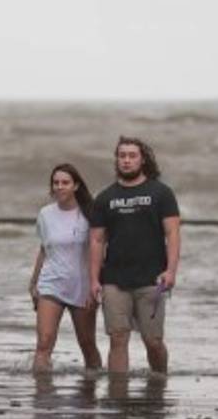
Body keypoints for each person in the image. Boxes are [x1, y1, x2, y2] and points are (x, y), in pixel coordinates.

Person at [89, 136, 181, 375]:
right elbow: (97, 240)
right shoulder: (105, 197)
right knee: (118, 339)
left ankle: (160, 380)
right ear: (116, 160)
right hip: (114, 280)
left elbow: (172, 233)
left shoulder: (161, 193)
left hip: (152, 279)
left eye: (132, 156)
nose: (126, 161)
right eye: (122, 156)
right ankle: (118, 396)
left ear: (142, 160)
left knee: (153, 341)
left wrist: (171, 271)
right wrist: (93, 279)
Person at [29, 163, 102, 373]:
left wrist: (95, 285)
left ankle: (91, 392)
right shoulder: (45, 214)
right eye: (56, 183)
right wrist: (34, 283)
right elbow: (44, 249)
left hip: (82, 286)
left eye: (65, 182)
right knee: (44, 343)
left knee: (87, 345)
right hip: (51, 284)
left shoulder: (89, 214)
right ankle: (41, 397)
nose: (59, 187)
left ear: (76, 186)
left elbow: (97, 252)